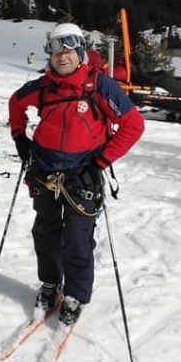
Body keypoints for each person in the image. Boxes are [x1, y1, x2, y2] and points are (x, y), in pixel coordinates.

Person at [8, 23, 144, 325]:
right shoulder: (44, 86)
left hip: (82, 173)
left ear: (80, 53)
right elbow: (16, 103)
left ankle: (76, 294)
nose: (62, 56)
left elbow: (133, 125)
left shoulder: (99, 86)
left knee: (77, 238)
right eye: (56, 51)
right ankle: (50, 284)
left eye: (68, 50)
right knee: (45, 232)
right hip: (44, 170)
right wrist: (20, 138)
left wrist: (99, 164)